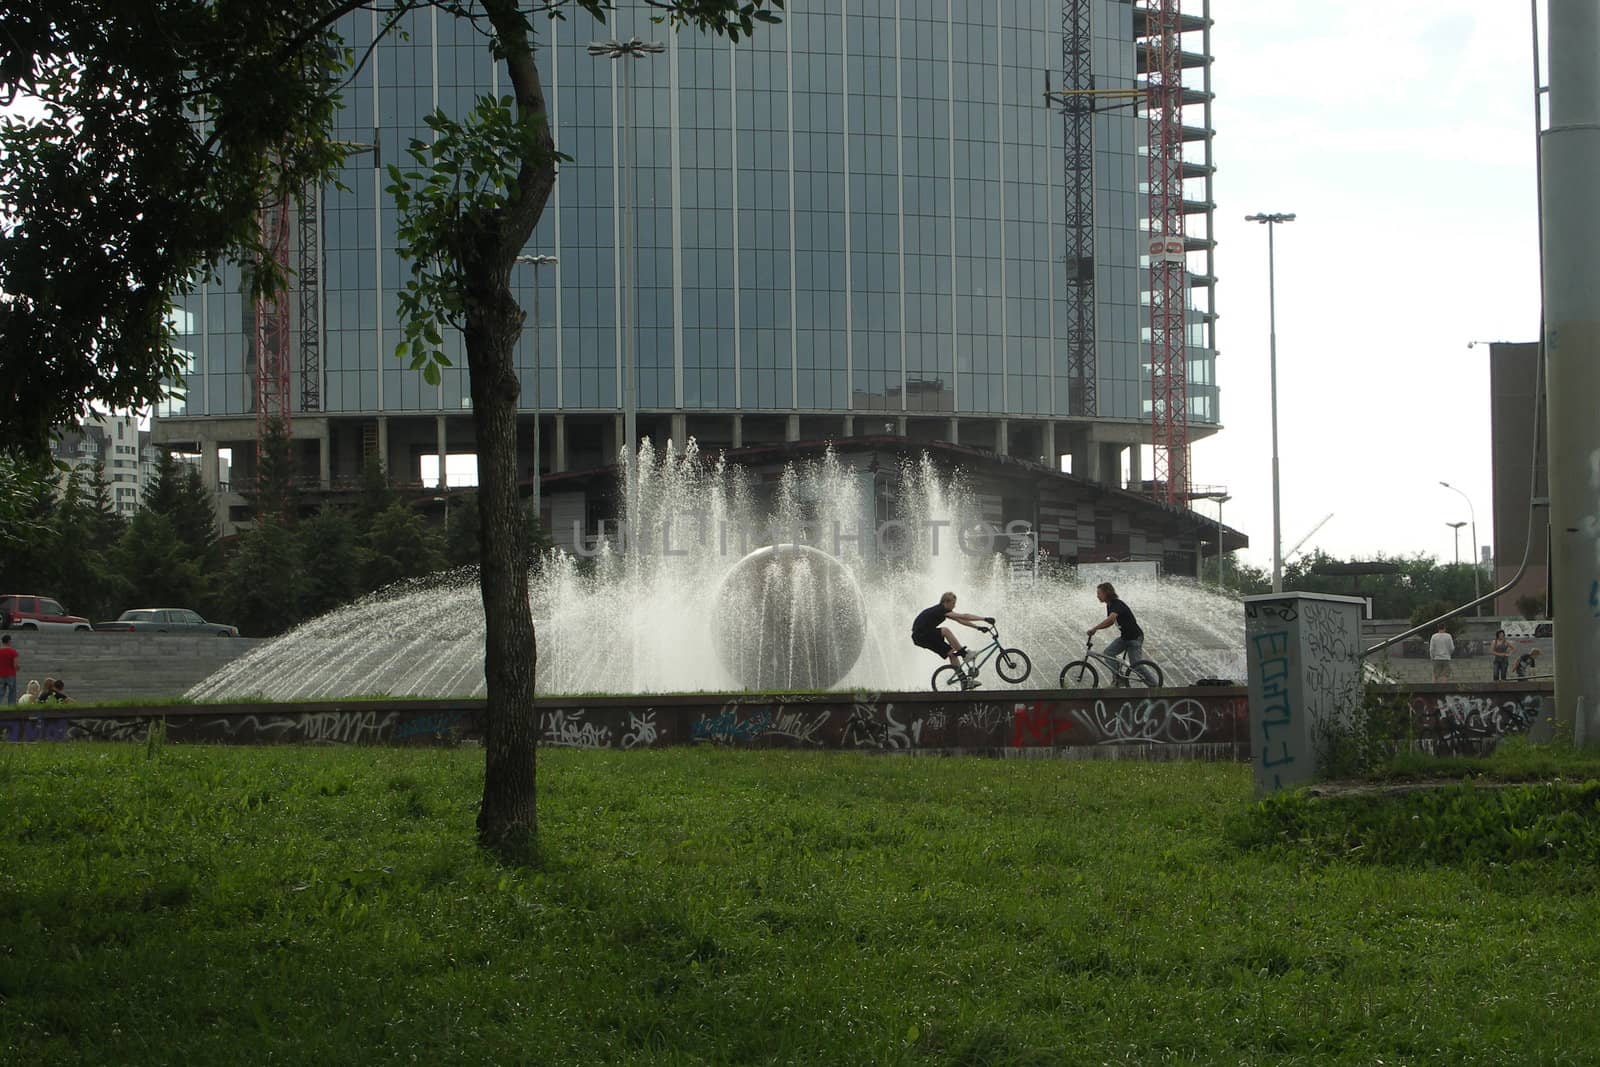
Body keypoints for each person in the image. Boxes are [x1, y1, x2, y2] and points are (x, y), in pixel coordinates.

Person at [911, 591, 993, 686]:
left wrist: (978, 627)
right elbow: (964, 616)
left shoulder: (944, 611)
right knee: (945, 630)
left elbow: (961, 620)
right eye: (953, 603)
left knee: (952, 654)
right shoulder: (941, 609)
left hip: (925, 636)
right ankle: (964, 654)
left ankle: (964, 681)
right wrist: (984, 619)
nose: (954, 606)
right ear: (946, 602)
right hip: (921, 635)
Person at [1087, 582, 1146, 681]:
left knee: (1136, 666)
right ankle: (1119, 679)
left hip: (1135, 638)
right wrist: (1097, 629)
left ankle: (1155, 686)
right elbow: (1110, 622)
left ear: (1106, 593)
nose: (1097, 596)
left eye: (1099, 593)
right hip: (1125, 638)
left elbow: (1111, 619)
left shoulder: (1117, 604)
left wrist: (1095, 628)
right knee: (1108, 653)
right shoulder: (1109, 605)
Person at [0, 633, 16, 705]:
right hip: (11, 674)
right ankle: (11, 707)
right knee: (12, 692)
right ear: (9, 641)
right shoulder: (13, 651)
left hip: (0, 674)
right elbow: (15, 665)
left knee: (1, 692)